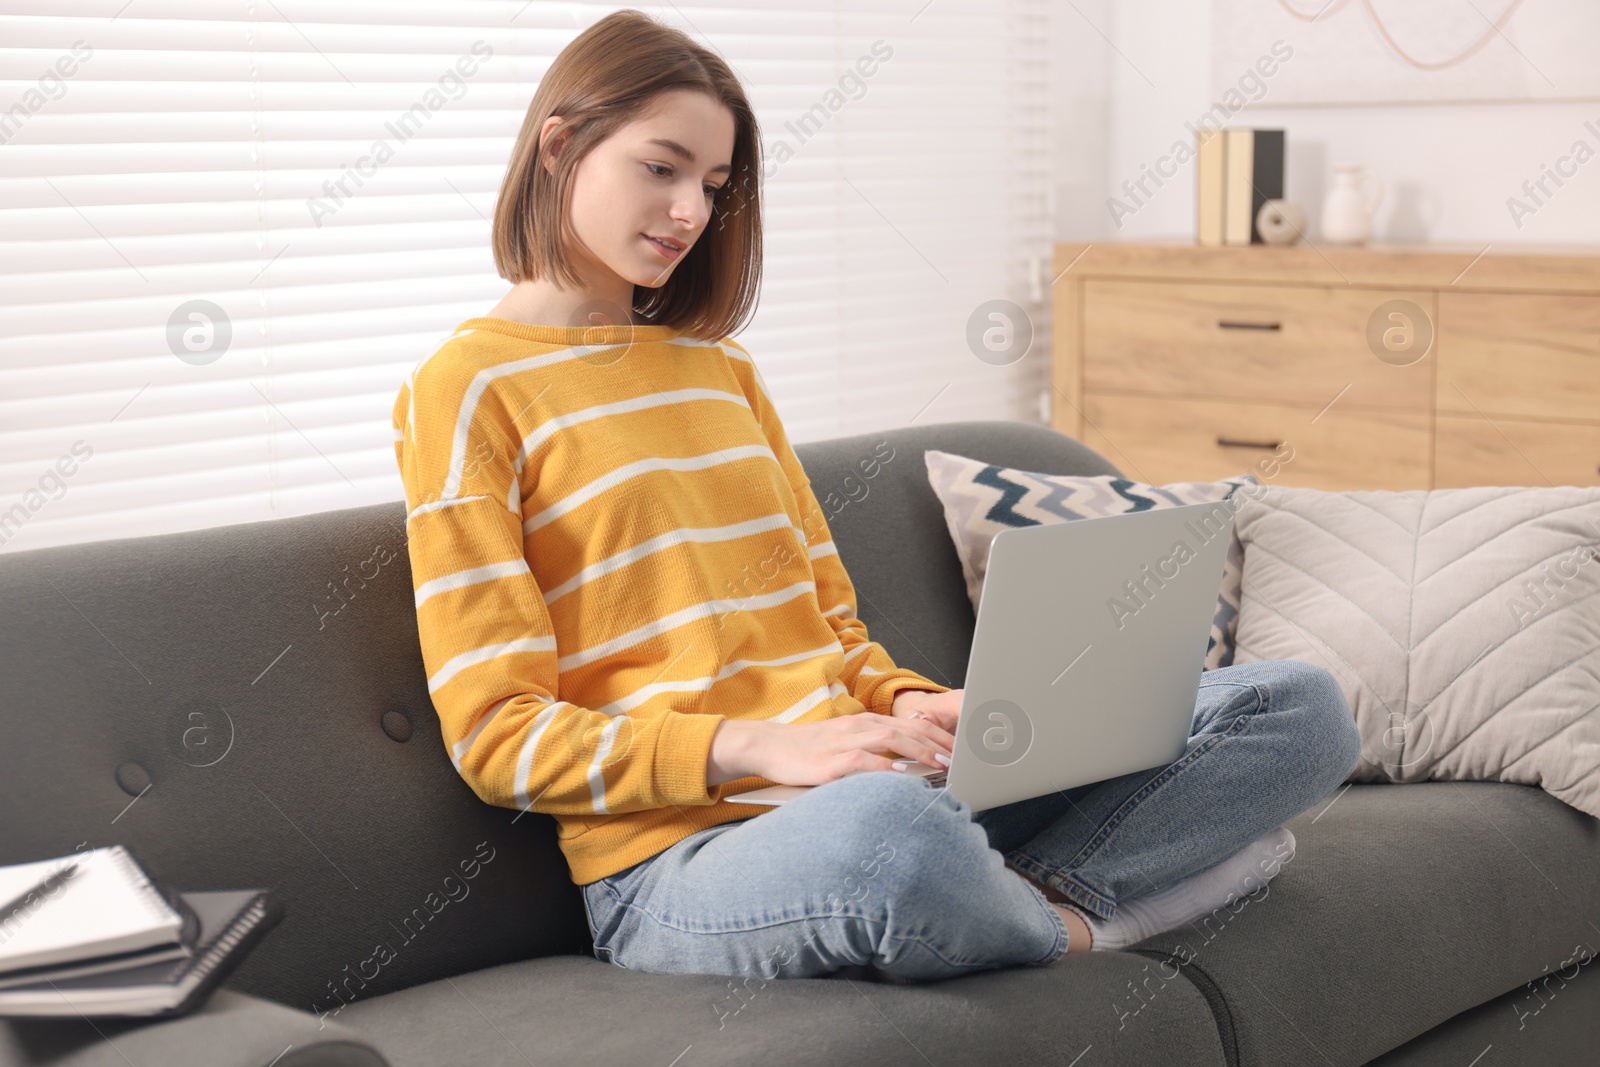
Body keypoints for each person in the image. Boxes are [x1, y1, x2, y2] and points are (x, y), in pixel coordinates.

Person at [390, 9, 1363, 983]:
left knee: (1294, 704)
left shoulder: (719, 372)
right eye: (662, 167)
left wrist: (927, 706)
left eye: (714, 185)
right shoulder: (469, 391)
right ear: (562, 146)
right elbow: (497, 736)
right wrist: (764, 744)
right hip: (685, 858)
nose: (691, 210)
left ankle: (1029, 890)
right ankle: (1084, 925)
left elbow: (836, 637)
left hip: (880, 783)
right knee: (887, 836)